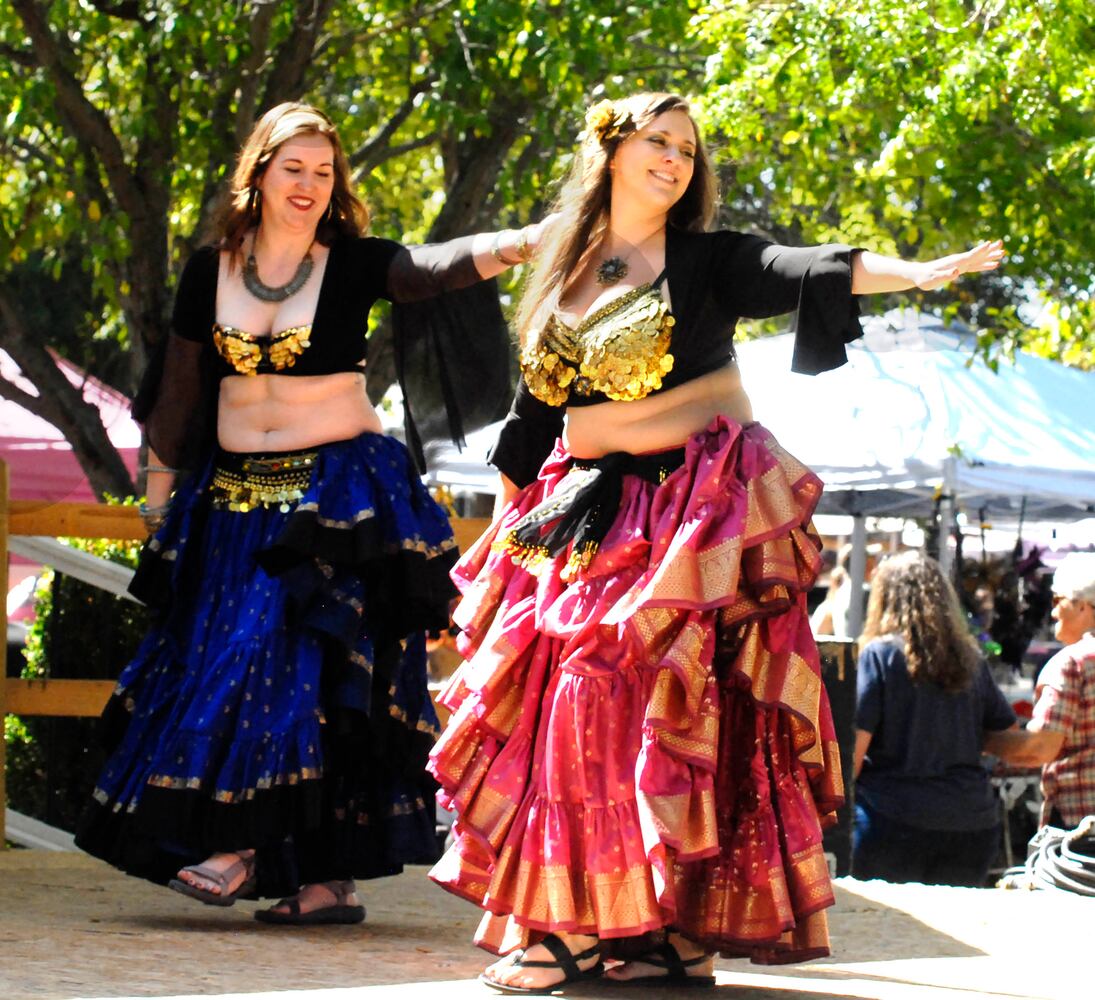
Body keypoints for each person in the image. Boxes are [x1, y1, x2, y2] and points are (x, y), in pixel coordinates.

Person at [426, 91, 1005, 992]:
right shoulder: (563, 263)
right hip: (581, 512)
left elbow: (805, 265)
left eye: (687, 151)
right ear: (609, 149)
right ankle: (604, 925)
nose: (673, 160)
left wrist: (917, 271)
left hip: (688, 510)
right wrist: (503, 532)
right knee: (573, 709)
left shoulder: (705, 260)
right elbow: (534, 413)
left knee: (665, 709)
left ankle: (636, 929)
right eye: (657, 141)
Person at [75, 102, 544, 923]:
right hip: (228, 503)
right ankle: (326, 881)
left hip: (332, 497)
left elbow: (427, 269)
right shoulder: (207, 269)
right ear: (257, 172)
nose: (309, 184)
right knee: (264, 671)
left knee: (277, 660)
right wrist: (160, 505)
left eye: (324, 172)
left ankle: (242, 847)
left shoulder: (356, 263)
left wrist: (512, 246)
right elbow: (181, 392)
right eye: (294, 167)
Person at [851, 551, 1017, 886]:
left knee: (885, 931)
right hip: (971, 821)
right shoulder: (971, 659)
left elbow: (853, 752)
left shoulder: (879, 655)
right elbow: (1008, 733)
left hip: (891, 818)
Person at [1010, 553, 1095, 828]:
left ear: (1084, 607)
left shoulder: (1073, 662)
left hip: (1082, 827)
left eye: (1058, 600)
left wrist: (986, 740)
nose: (1054, 611)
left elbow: (1040, 748)